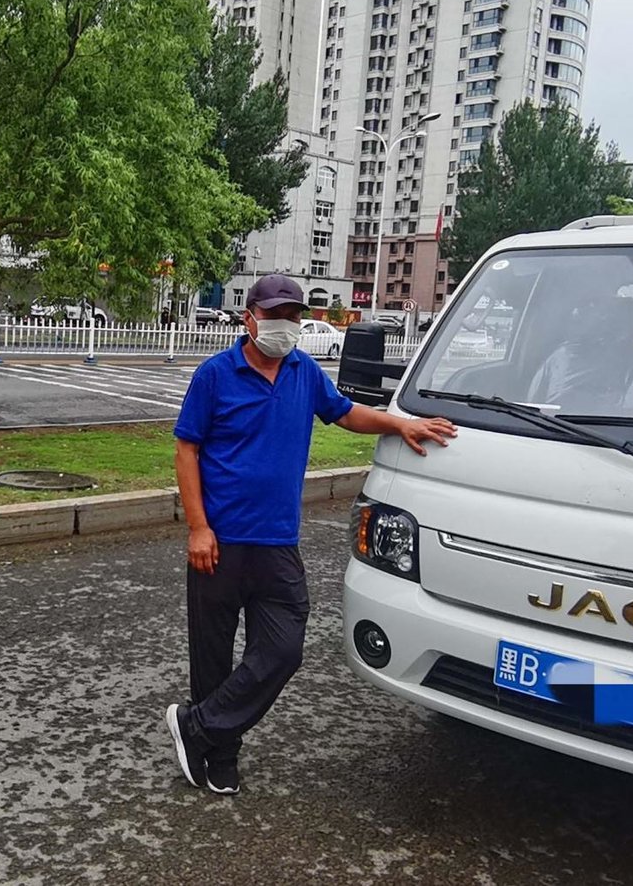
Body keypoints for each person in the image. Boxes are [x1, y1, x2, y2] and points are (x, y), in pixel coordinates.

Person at [166, 273, 456, 795]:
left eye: (293, 316)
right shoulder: (215, 375)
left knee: (282, 650)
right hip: (220, 542)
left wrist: (400, 424)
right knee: (211, 656)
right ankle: (221, 754)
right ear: (249, 319)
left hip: (277, 543)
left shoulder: (304, 372)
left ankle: (199, 727)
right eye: (274, 315)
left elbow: (344, 413)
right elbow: (187, 449)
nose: (285, 325)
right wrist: (199, 527)